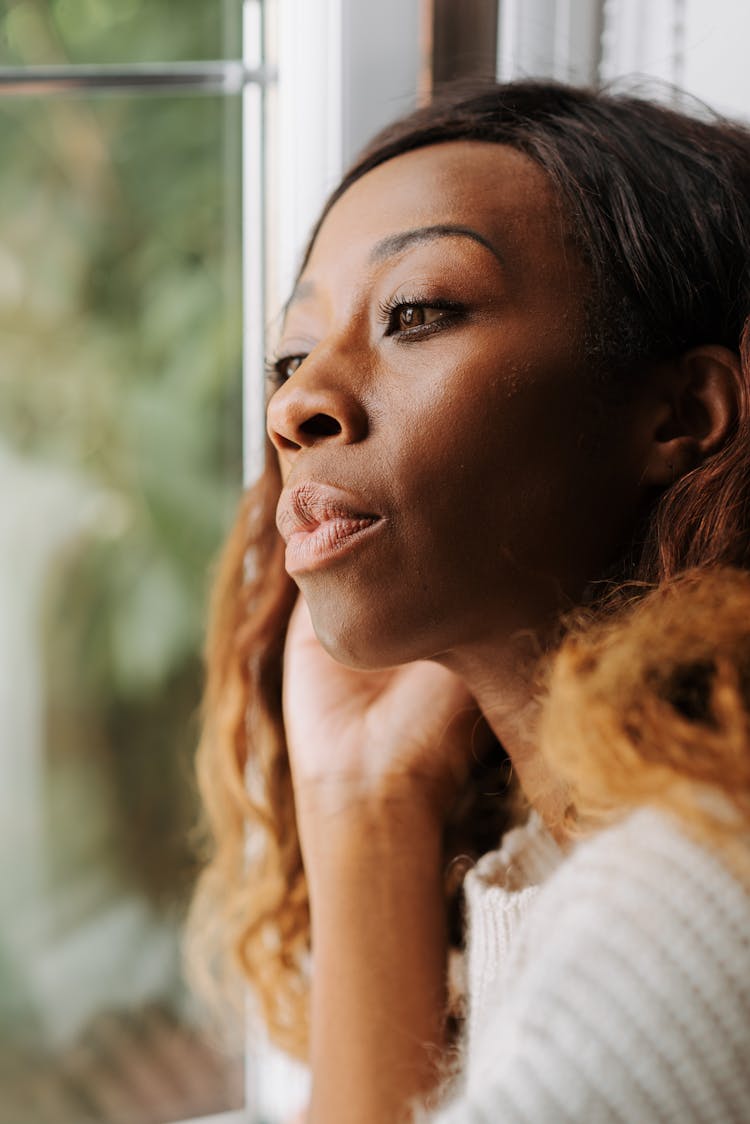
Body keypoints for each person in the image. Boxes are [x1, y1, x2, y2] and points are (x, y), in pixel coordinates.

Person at [188, 81, 750, 1122]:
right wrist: (363, 797)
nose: (293, 402)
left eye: (416, 311)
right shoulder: (566, 870)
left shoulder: (699, 887)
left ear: (682, 412)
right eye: (289, 355)